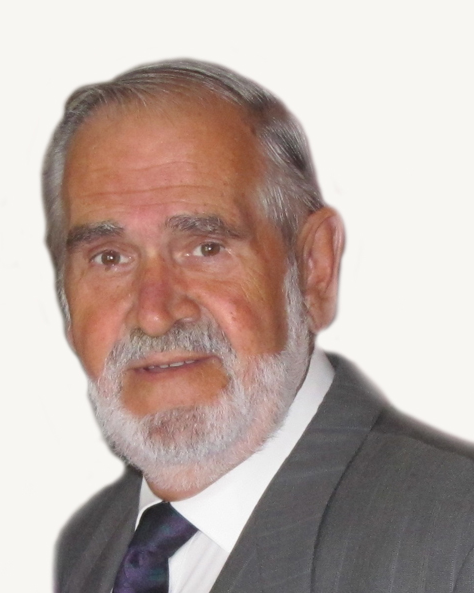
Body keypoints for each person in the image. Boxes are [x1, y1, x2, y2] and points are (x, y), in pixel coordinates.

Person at [45, 60, 474, 593]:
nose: (154, 313)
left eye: (206, 247)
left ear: (314, 267)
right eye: (109, 258)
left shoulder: (455, 542)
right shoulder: (88, 544)